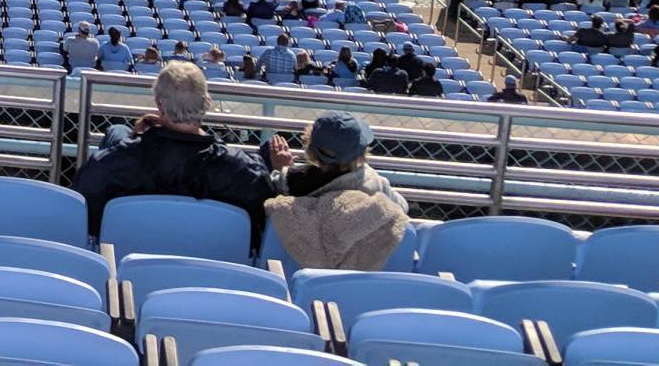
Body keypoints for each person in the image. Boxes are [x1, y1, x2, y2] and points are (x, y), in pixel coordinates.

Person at [72, 60, 287, 244]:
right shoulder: (246, 174)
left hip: (127, 270)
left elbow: (84, 214)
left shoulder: (112, 164)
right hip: (213, 277)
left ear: (159, 104)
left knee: (117, 131)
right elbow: (260, 230)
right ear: (207, 104)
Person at [262, 111, 410, 271]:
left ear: (310, 148)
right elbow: (401, 208)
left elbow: (271, 191)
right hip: (357, 280)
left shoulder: (289, 182)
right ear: (361, 153)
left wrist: (280, 168)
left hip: (294, 273)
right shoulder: (376, 185)